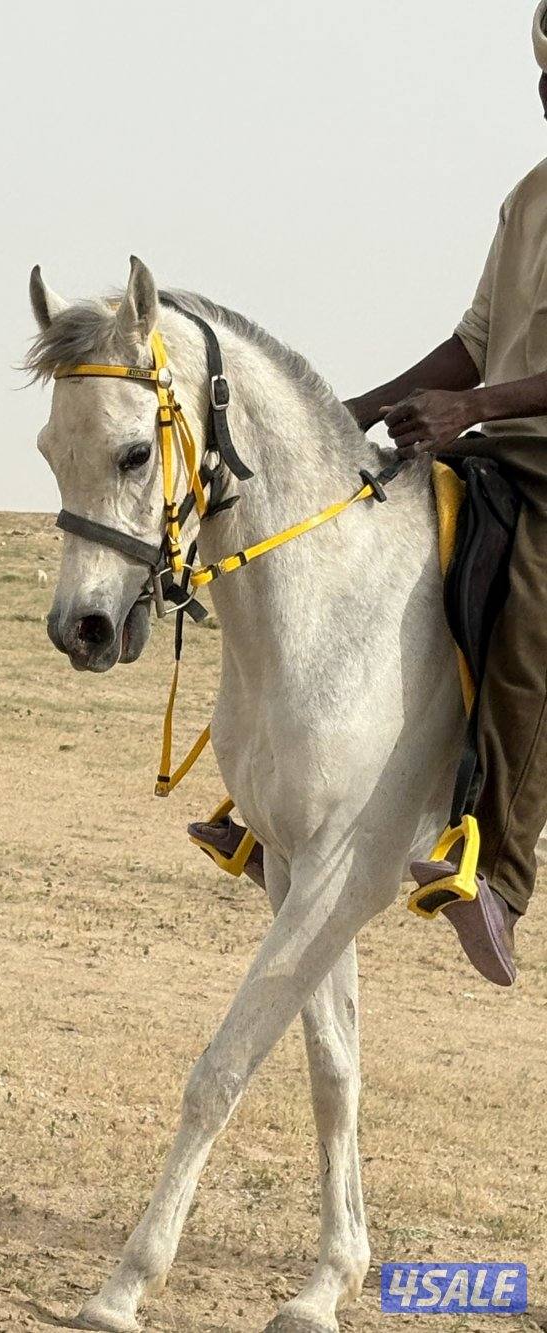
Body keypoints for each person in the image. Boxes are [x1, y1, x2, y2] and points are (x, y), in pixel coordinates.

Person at [343, 2, 547, 986]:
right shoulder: (527, 197)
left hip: (540, 459)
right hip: (494, 441)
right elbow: (471, 339)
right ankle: (290, 801)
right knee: (365, 534)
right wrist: (355, 405)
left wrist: (472, 409)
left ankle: (499, 877)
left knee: (528, 627)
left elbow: (479, 378)